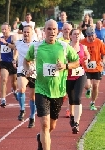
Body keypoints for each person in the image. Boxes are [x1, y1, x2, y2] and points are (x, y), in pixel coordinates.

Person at [24, 19, 79, 150]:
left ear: (57, 31)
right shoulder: (36, 47)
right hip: (41, 90)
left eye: (54, 29)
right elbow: (26, 61)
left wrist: (65, 66)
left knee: (51, 127)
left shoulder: (64, 47)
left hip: (58, 91)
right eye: (49, 29)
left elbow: (76, 62)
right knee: (44, 124)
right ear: (44, 31)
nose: (52, 32)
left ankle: (41, 138)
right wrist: (27, 69)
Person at [67, 28, 90, 134]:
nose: (76, 36)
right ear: (70, 36)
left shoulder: (83, 47)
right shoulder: (66, 47)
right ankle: (72, 116)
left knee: (77, 98)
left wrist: (87, 59)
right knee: (71, 99)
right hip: (68, 75)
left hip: (80, 74)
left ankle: (76, 123)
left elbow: (87, 55)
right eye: (74, 34)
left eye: (78, 34)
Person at [14, 25, 37, 128]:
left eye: (28, 32)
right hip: (22, 70)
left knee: (33, 96)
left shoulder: (36, 44)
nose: (26, 34)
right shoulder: (18, 43)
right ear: (22, 32)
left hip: (33, 71)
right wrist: (14, 58)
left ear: (32, 33)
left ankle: (32, 117)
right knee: (21, 88)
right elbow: (13, 47)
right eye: (25, 32)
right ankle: (22, 109)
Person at [80, 27, 105, 110]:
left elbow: (104, 53)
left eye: (92, 35)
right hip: (85, 67)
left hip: (97, 66)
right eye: (89, 36)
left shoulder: (99, 42)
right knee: (87, 85)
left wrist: (103, 61)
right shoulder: (82, 42)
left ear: (95, 34)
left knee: (95, 85)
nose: (91, 38)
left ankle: (92, 103)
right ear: (86, 36)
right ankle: (88, 89)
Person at [0, 22, 18, 108]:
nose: (4, 31)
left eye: (5, 29)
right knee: (4, 79)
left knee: (14, 83)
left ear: (9, 29)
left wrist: (6, 43)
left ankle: (14, 90)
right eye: (2, 29)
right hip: (4, 62)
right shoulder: (0, 39)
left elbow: (15, 47)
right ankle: (3, 99)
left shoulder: (13, 37)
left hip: (12, 62)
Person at [57, 23, 72, 118]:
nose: (67, 31)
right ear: (62, 30)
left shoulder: (75, 39)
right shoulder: (58, 41)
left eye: (69, 29)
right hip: (61, 68)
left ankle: (68, 110)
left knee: (71, 90)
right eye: (65, 29)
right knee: (62, 90)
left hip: (71, 67)